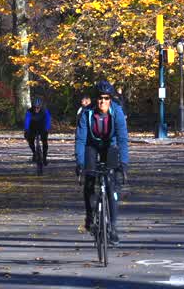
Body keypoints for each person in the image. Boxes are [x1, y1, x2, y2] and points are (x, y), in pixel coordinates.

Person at [76, 79, 129, 245]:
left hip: (110, 146)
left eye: (106, 98)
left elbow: (122, 139)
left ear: (111, 99)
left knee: (112, 186)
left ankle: (113, 227)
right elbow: (80, 139)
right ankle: (90, 216)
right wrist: (80, 163)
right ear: (95, 99)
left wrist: (124, 164)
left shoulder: (117, 112)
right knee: (90, 180)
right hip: (91, 146)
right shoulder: (87, 113)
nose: (103, 101)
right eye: (100, 98)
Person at [24, 96, 52, 165]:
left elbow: (48, 120)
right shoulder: (29, 111)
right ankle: (34, 152)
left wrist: (47, 128)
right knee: (30, 139)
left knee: (44, 141)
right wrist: (26, 129)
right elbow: (27, 121)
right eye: (35, 107)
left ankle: (44, 158)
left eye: (38, 107)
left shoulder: (45, 111)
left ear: (40, 107)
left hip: (42, 127)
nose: (36, 109)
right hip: (32, 127)